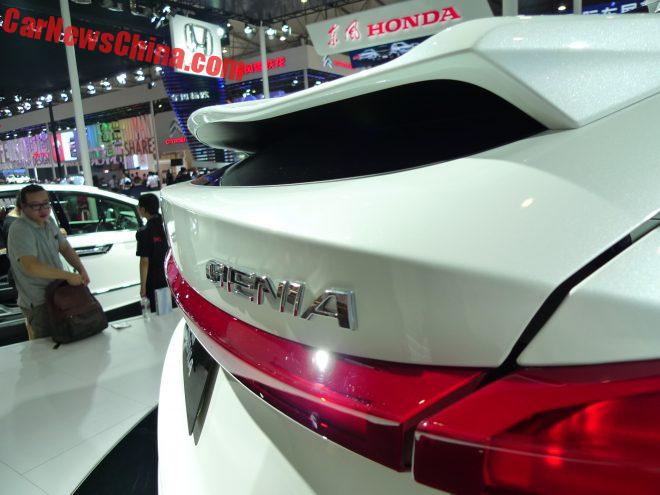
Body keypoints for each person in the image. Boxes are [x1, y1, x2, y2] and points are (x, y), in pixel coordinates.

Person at [7, 184, 89, 339]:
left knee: (69, 339)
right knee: (47, 347)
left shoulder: (49, 222)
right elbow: (31, 266)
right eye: (35, 206)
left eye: (45, 203)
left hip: (59, 294)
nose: (43, 209)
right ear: (23, 206)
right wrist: (68, 276)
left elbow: (65, 247)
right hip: (39, 301)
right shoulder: (20, 229)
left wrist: (80, 269)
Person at [136, 194, 167, 312]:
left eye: (139, 207)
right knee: (169, 309)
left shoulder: (144, 232)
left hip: (154, 279)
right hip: (170, 275)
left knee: (157, 310)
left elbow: (144, 261)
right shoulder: (167, 225)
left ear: (143, 209)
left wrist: (143, 287)